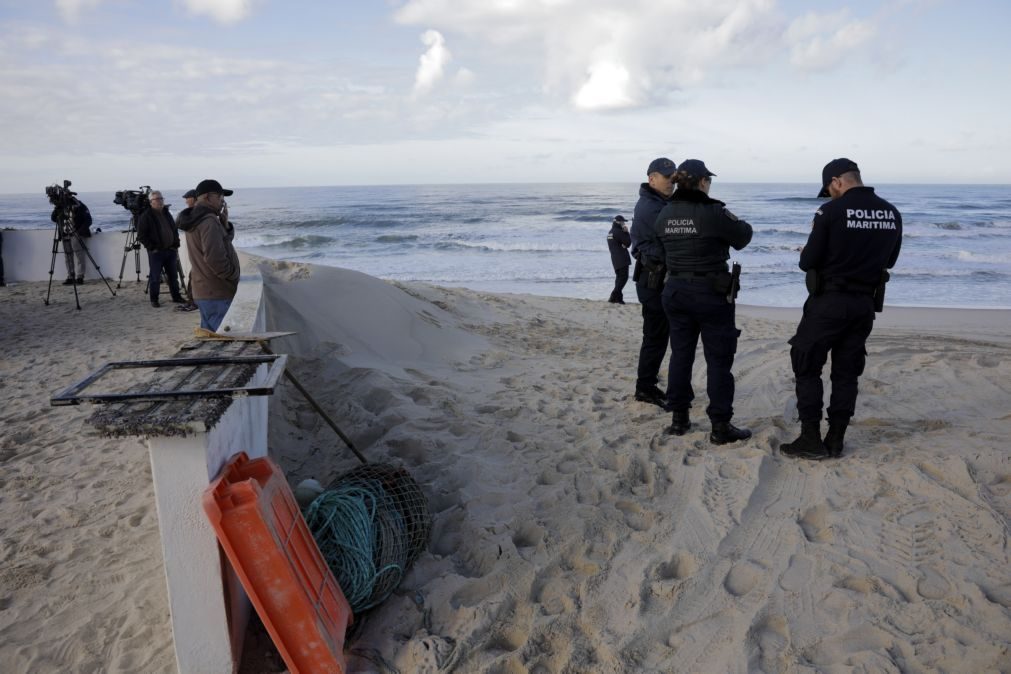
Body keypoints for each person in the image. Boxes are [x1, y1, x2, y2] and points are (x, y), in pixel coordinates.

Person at [781, 158, 902, 460]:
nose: (830, 194)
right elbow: (890, 261)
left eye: (829, 189)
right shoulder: (891, 212)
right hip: (864, 305)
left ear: (837, 181)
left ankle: (810, 438)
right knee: (846, 373)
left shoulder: (830, 211)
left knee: (806, 364)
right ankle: (836, 440)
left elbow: (807, 261)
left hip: (829, 303)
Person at [649, 159, 753, 444]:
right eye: (709, 181)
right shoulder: (713, 211)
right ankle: (720, 426)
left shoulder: (664, 213)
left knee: (681, 355)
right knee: (718, 360)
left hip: (676, 291)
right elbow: (744, 236)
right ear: (703, 182)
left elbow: (659, 248)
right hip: (710, 293)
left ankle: (679, 418)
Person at [630, 157, 677, 408]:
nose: (671, 181)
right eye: (666, 176)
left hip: (655, 278)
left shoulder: (660, 202)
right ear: (652, 178)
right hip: (652, 280)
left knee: (658, 335)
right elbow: (667, 242)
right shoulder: (651, 206)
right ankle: (644, 387)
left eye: (673, 176)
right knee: (655, 336)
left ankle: (647, 384)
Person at [176, 179, 240, 332]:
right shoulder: (208, 221)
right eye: (220, 197)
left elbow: (219, 245)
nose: (222, 202)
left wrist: (224, 225)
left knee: (211, 337)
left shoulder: (196, 219)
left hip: (204, 290)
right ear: (207, 197)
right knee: (223, 339)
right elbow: (214, 258)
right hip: (216, 291)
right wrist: (232, 275)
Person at [136, 190, 185, 308]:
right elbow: (141, 236)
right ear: (151, 202)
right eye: (157, 199)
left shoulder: (166, 213)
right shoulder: (146, 216)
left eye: (161, 198)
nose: (160, 201)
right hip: (156, 253)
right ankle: (154, 299)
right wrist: (153, 248)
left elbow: (174, 229)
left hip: (170, 251)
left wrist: (175, 244)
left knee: (173, 276)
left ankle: (176, 296)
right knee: (155, 277)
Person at [51, 196, 92, 284]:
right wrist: (57, 209)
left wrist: (79, 232)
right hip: (65, 233)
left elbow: (89, 220)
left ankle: (80, 277)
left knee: (79, 255)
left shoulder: (79, 205)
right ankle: (70, 276)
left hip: (76, 233)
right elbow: (54, 219)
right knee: (68, 256)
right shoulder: (61, 207)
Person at [607, 215, 631, 303]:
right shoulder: (619, 232)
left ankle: (619, 298)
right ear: (618, 222)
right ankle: (613, 295)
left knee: (619, 278)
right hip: (622, 258)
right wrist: (626, 232)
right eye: (622, 222)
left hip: (615, 258)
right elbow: (628, 243)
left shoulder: (611, 232)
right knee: (623, 278)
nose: (623, 224)